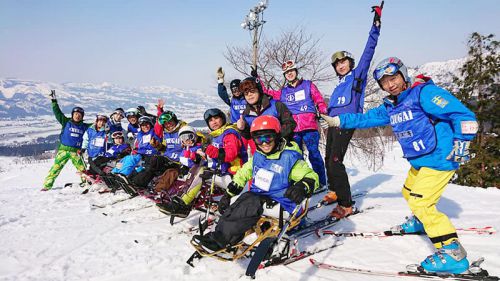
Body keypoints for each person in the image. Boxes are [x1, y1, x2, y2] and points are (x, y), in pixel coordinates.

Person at [320, 57, 478, 274]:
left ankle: (453, 254)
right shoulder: (392, 105)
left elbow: (463, 114)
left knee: (421, 202)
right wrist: (339, 122)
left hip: (441, 156)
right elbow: (367, 118)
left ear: (403, 75)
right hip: (422, 159)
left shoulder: (424, 94)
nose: (390, 85)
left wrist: (462, 141)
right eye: (385, 82)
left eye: (393, 78)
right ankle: (423, 221)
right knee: (408, 191)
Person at [193, 115, 319, 252]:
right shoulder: (259, 155)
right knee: (241, 200)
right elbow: (244, 172)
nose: (264, 143)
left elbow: (311, 176)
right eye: (259, 139)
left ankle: (221, 240)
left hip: (282, 201)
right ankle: (222, 235)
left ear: (277, 136)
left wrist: (302, 186)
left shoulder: (289, 157)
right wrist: (229, 194)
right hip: (259, 196)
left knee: (249, 203)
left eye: (268, 137)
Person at [322, 2, 383, 219]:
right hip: (334, 123)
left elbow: (368, 51)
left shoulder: (357, 75)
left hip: (347, 122)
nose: (340, 65)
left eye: (344, 61)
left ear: (350, 62)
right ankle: (334, 190)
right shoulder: (339, 84)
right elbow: (334, 105)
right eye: (337, 64)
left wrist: (375, 25)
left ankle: (346, 204)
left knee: (335, 162)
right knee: (328, 157)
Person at [158, 108, 247, 217]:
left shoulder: (229, 134)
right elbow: (214, 155)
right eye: (210, 120)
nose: (214, 122)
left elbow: (230, 155)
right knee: (196, 168)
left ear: (223, 119)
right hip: (222, 170)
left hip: (234, 175)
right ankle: (183, 201)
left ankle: (182, 204)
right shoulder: (217, 135)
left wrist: (207, 149)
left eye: (216, 118)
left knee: (199, 172)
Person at [263, 60, 328, 188]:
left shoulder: (308, 85)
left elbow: (319, 100)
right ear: (284, 75)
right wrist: (257, 79)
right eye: (287, 72)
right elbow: (267, 92)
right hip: (293, 129)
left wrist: (323, 113)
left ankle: (321, 181)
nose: (289, 74)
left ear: (296, 71)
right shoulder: (283, 92)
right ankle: (304, 181)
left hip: (309, 127)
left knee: (314, 154)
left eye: (291, 71)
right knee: (296, 157)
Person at [42, 91, 92, 191]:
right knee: (55, 168)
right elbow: (57, 113)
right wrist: (54, 101)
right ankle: (47, 186)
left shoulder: (85, 126)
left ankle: (87, 183)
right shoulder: (66, 122)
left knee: (83, 169)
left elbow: (97, 125)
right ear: (72, 114)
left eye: (80, 114)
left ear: (82, 116)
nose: (77, 116)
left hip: (76, 152)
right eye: (76, 114)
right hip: (63, 151)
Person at [236, 76, 297, 154]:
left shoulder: (276, 105)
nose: (249, 95)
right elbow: (249, 135)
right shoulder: (246, 114)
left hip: (283, 150)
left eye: (252, 91)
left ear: (259, 91)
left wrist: (274, 137)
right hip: (263, 153)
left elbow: (290, 123)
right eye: (246, 93)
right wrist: (242, 129)